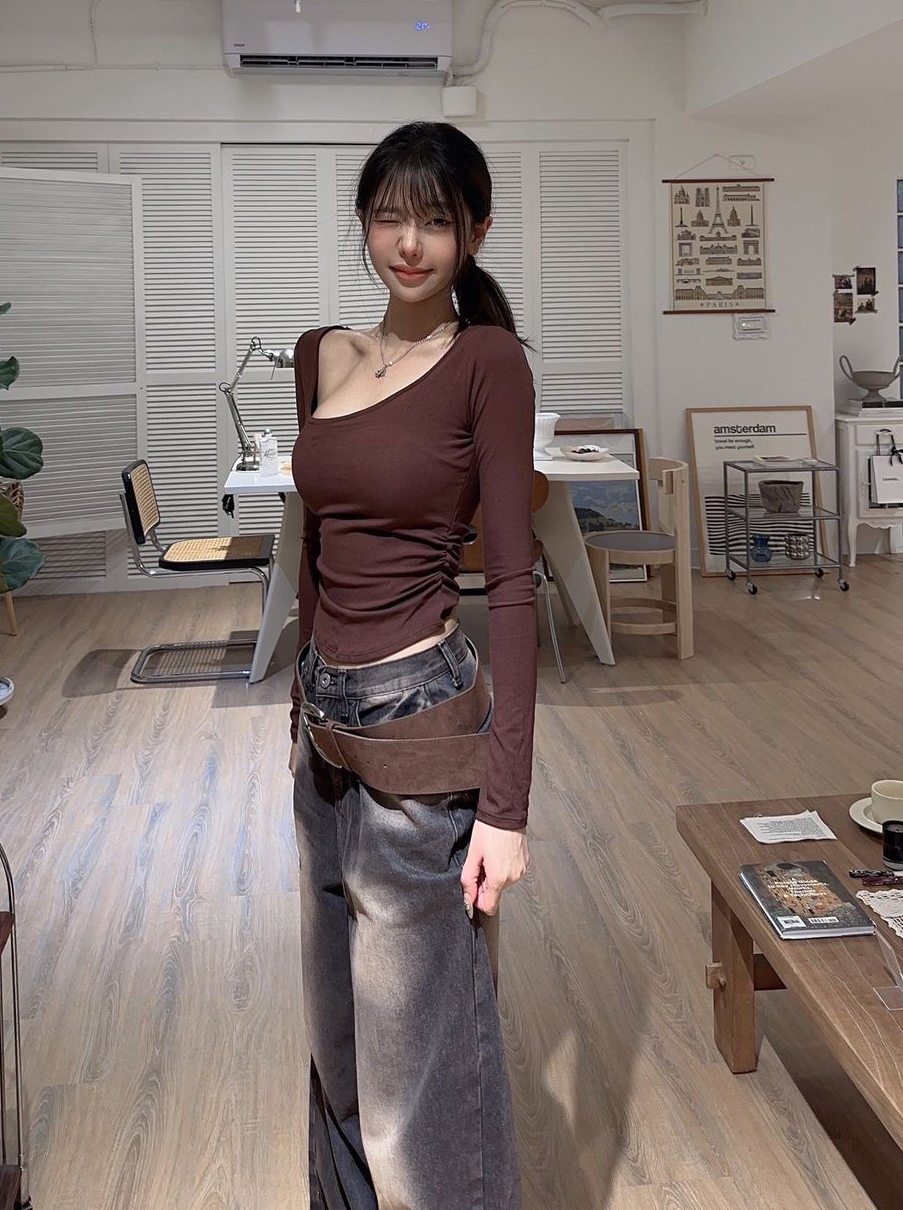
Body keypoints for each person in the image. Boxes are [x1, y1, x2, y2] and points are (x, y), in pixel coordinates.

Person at [288, 119, 538, 1210]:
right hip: (321, 727)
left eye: (435, 220)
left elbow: (514, 583)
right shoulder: (321, 354)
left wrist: (505, 809)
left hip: (419, 723)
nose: (409, 242)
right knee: (338, 1043)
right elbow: (317, 545)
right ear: (362, 221)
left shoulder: (487, 361)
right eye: (389, 215)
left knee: (416, 1077)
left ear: (474, 231)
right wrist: (294, 708)